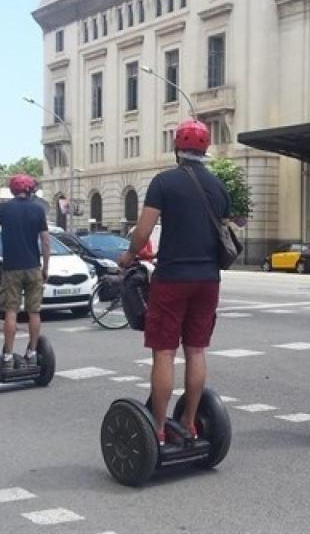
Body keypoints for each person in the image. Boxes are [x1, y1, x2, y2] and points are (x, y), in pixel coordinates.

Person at [119, 118, 231, 446]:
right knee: (196, 350)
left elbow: (143, 231)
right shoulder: (219, 186)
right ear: (205, 149)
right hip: (208, 279)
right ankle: (190, 421)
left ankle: (156, 426)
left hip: (172, 278)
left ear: (176, 148)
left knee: (164, 353)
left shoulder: (164, 182)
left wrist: (129, 256)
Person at [0, 175, 50, 367]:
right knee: (34, 312)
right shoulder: (38, 210)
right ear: (29, 190)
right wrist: (46, 268)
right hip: (33, 267)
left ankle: (8, 355)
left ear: (12, 190)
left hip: (11, 268)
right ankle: (32, 352)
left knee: (11, 311)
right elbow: (45, 241)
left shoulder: (3, 209)